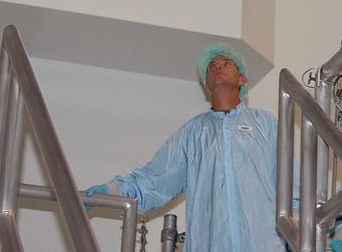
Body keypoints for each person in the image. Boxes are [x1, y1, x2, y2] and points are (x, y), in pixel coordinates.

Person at [83, 43, 282, 251]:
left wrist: (298, 239)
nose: (218, 66)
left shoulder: (265, 125)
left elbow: (292, 187)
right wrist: (109, 191)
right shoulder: (193, 132)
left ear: (242, 80)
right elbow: (155, 179)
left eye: (226, 63)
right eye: (212, 65)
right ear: (206, 85)